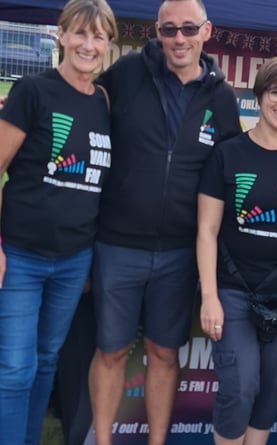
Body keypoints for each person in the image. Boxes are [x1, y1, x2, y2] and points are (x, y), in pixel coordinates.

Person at [87, 0, 242, 444]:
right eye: (169, 29)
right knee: (112, 351)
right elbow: (81, 105)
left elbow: (231, 169)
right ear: (157, 32)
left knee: (163, 353)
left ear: (206, 31)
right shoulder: (126, 74)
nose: (179, 38)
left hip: (180, 250)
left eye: (188, 29)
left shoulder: (222, 96)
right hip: (117, 244)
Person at [0, 1, 117, 444]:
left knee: (47, 360)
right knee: (15, 368)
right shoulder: (33, 91)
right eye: (81, 34)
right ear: (62, 36)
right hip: (20, 256)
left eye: (99, 36)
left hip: (73, 260)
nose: (89, 45)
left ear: (108, 44)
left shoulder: (104, 101)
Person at [197, 56, 277, 445]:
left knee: (270, 388)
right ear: (259, 95)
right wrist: (209, 297)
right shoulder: (228, 154)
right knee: (240, 387)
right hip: (234, 292)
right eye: (276, 92)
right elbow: (207, 229)